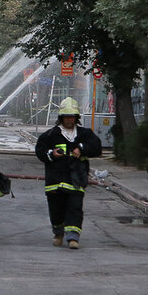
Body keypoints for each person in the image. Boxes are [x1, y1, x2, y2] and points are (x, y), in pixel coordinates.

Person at [35, 97, 102, 249]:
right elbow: (40, 151)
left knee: (75, 208)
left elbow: (97, 147)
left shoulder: (85, 135)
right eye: (66, 117)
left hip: (76, 179)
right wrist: (51, 153)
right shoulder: (50, 135)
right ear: (61, 118)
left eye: (72, 116)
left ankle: (73, 238)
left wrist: (82, 149)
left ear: (76, 118)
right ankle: (58, 233)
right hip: (55, 182)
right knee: (56, 209)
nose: (69, 120)